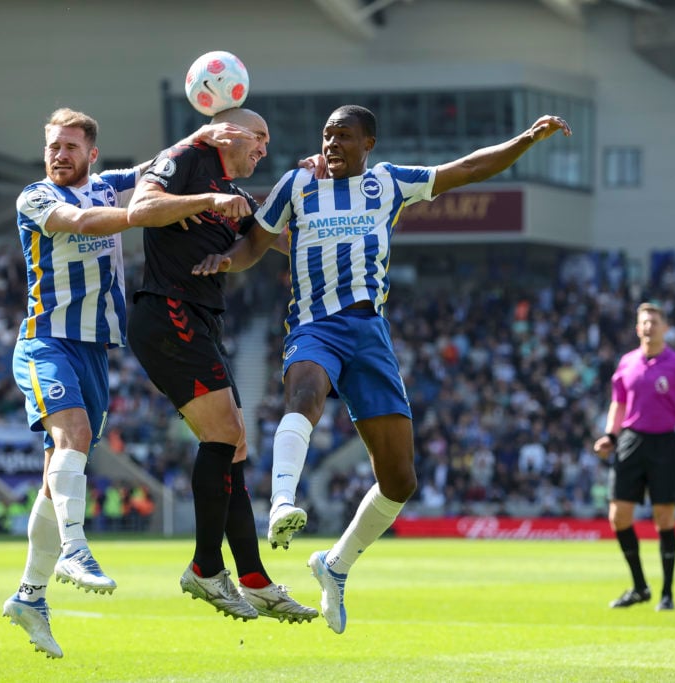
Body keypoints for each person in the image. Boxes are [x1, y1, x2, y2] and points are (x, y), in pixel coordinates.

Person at [191, 104, 571, 633]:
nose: (331, 144)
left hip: (369, 332)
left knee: (399, 479)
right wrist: (226, 261)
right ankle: (281, 503)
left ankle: (336, 565)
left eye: (343, 136)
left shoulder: (389, 183)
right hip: (314, 324)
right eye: (326, 135)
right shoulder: (297, 184)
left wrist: (526, 139)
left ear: (368, 144)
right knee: (304, 393)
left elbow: (467, 168)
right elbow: (255, 243)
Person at [2, 107, 252, 658]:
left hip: (95, 352)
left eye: (70, 147)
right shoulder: (36, 198)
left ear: (92, 154)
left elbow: (155, 167)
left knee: (56, 479)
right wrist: (155, 212)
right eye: (53, 147)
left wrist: (200, 135)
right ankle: (74, 548)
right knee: (72, 439)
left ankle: (30, 596)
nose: (59, 155)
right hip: (48, 340)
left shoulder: (113, 184)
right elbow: (85, 224)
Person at [125, 107, 317, 624]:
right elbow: (140, 207)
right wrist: (209, 199)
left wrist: (314, 187)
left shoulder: (240, 195)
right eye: (259, 136)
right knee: (225, 434)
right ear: (229, 131)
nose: (264, 148)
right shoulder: (189, 158)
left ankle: (253, 577)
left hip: (202, 319)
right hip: (165, 308)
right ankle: (206, 566)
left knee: (235, 444)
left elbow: (281, 240)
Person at [593, 302, 675, 611]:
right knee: (617, 517)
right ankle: (639, 587)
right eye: (644, 322)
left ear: (665, 328)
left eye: (654, 321)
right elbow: (618, 404)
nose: (649, 326)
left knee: (664, 518)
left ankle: (667, 593)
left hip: (664, 443)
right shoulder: (626, 363)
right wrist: (610, 435)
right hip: (630, 441)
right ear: (637, 328)